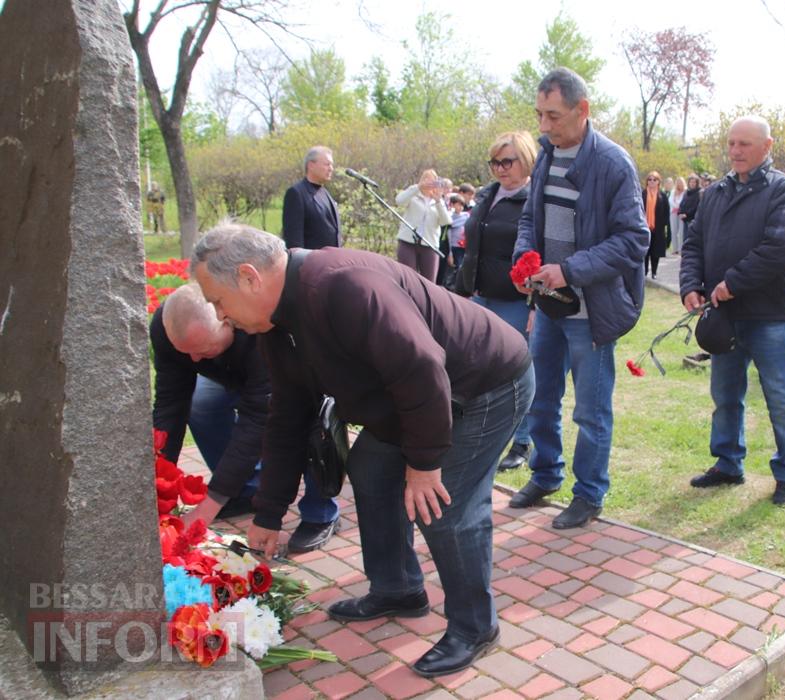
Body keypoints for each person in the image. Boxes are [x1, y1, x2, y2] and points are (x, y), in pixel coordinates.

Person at [191, 223, 534, 678]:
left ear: (250, 277)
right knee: (371, 467)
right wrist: (268, 512)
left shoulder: (343, 284)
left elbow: (422, 366)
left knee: (443, 504)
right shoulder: (277, 325)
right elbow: (288, 417)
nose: (220, 316)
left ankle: (475, 627)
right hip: (418, 398)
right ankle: (398, 589)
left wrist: (425, 463)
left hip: (484, 383)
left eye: (218, 301)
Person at [509, 67, 648, 529]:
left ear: (582, 109)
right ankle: (546, 474)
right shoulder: (548, 155)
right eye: (539, 115)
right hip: (549, 305)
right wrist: (524, 258)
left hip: (593, 311)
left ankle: (589, 493)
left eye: (553, 115)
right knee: (539, 398)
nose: (544, 127)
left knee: (590, 410)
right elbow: (530, 218)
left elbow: (633, 240)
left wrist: (569, 271)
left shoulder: (613, 164)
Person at [152, 284, 341, 551]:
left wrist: (210, 504)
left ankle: (320, 512)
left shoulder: (256, 324)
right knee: (201, 403)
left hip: (298, 374)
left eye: (203, 349)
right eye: (185, 352)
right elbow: (170, 403)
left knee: (306, 421)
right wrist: (160, 479)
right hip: (234, 371)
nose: (193, 359)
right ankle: (245, 488)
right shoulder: (169, 328)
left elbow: (257, 421)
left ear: (227, 323)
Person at [680, 115, 785, 506]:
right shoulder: (715, 193)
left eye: (745, 144)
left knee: (782, 398)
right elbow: (694, 243)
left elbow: (779, 248)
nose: (735, 151)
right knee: (725, 394)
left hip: (769, 314)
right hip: (724, 318)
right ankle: (728, 463)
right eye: (732, 143)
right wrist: (691, 286)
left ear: (767, 147)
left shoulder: (784, 190)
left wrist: (731, 282)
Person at [455, 130, 538, 473]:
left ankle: (522, 440)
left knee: (515, 371)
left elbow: (538, 253)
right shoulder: (488, 195)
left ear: (527, 159)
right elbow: (472, 246)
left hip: (514, 301)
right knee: (479, 369)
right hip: (479, 296)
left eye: (508, 161)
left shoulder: (535, 199)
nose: (500, 169)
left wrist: (535, 305)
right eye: (495, 162)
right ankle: (482, 433)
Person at [395, 169, 452, 283]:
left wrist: (438, 201)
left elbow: (446, 222)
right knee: (408, 279)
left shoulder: (439, 200)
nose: (429, 183)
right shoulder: (413, 193)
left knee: (429, 282)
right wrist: (418, 188)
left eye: (432, 180)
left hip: (429, 245)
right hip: (408, 243)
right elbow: (399, 201)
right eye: (426, 179)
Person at [281, 146, 340, 250]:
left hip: (331, 262)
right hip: (311, 263)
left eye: (331, 165)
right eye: (327, 164)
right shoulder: (296, 193)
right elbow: (294, 241)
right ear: (311, 165)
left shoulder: (325, 193)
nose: (331, 169)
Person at [642, 170, 670, 279]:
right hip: (644, 227)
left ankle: (654, 272)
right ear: (647, 181)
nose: (652, 181)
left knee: (655, 252)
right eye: (650, 179)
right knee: (645, 251)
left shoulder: (662, 196)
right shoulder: (642, 194)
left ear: (658, 182)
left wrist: (664, 226)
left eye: (655, 179)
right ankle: (644, 272)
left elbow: (666, 212)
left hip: (657, 228)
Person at [668, 176, 687, 255]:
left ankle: (681, 249)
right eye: (678, 182)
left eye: (681, 182)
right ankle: (674, 249)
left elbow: (682, 201)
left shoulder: (685, 191)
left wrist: (678, 206)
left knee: (681, 232)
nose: (679, 184)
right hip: (673, 213)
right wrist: (676, 205)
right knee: (673, 231)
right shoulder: (673, 191)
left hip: (681, 213)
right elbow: (670, 200)